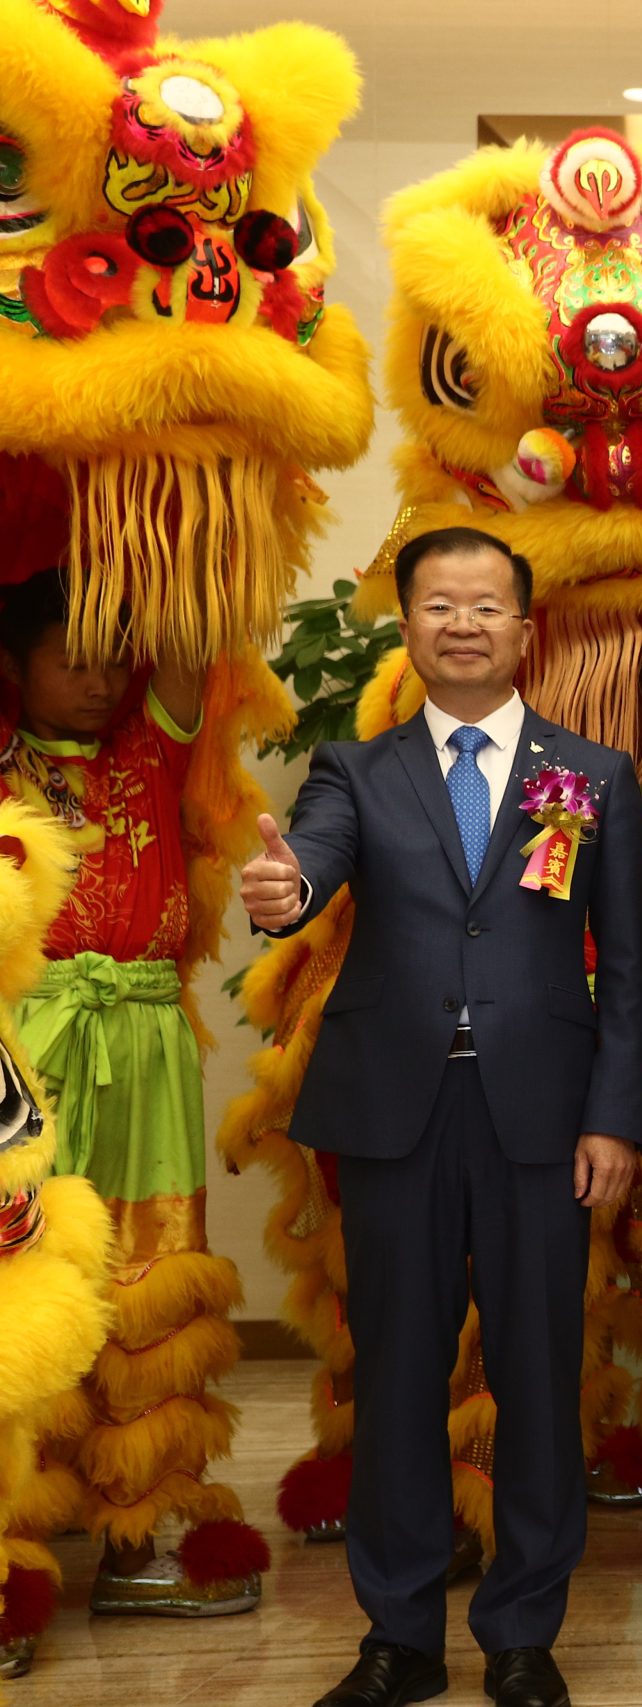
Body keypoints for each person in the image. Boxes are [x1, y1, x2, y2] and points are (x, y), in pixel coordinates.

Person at [239, 527, 642, 1707]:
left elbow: (626, 969)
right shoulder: (355, 770)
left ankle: (524, 1634)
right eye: (438, 605)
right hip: (394, 1116)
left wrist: (613, 1119)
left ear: (525, 628)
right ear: (408, 627)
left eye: (485, 606)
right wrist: (284, 890)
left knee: (539, 1377)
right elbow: (309, 865)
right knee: (398, 1377)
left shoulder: (595, 775)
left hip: (543, 1118)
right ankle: (401, 1636)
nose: (462, 624)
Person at [0, 569, 267, 1622]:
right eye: (71, 658)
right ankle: (15, 1554)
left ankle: (133, 1535)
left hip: (147, 1039)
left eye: (113, 658)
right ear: (14, 665)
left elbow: (195, 615)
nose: (99, 679)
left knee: (148, 1274)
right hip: (27, 1042)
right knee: (20, 1276)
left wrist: (164, 513)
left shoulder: (154, 744)